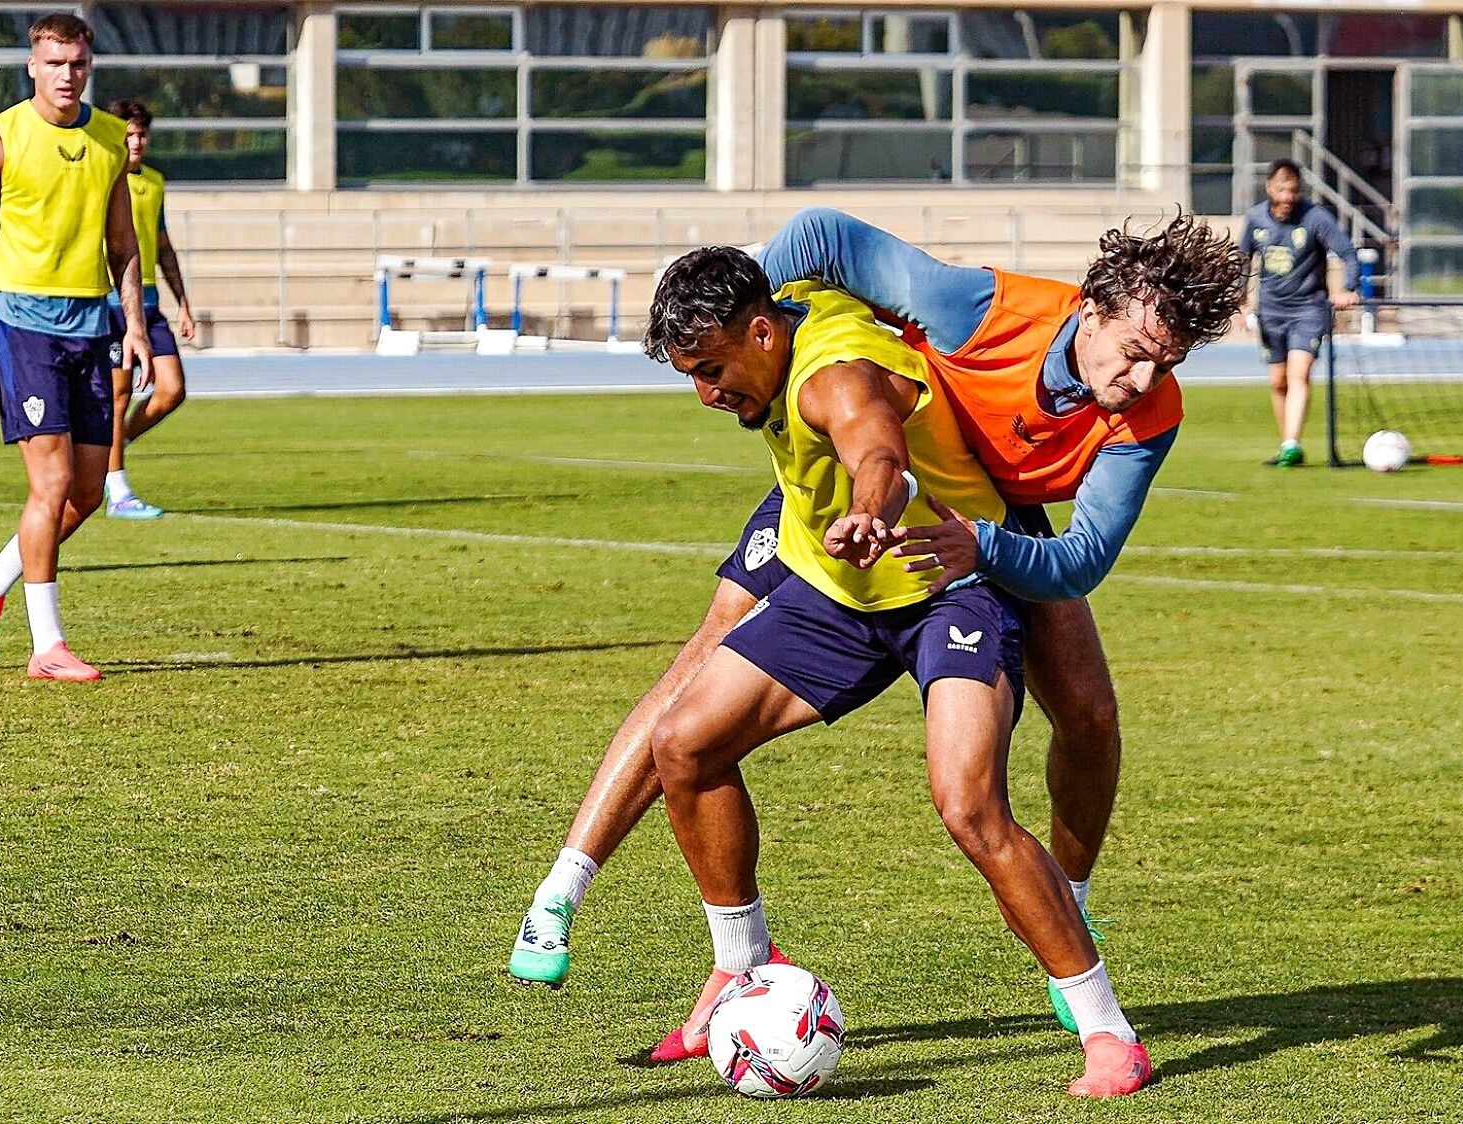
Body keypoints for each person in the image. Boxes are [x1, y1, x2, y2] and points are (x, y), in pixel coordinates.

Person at [509, 209, 1246, 1046]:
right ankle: (590, 901)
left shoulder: (1149, 415)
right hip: (859, 500)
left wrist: (977, 540)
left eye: (1169, 362)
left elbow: (1079, 558)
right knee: (699, 686)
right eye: (1138, 353)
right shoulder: (975, 308)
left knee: (1088, 716)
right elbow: (823, 238)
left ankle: (1064, 908)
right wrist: (760, 308)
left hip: (976, 527)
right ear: (1096, 308)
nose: (1146, 379)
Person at [645, 249, 1152, 1098]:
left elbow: (878, 452)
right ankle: (741, 966)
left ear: (763, 334)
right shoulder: (790, 306)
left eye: (711, 369)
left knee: (968, 803)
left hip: (948, 586)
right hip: (842, 594)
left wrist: (867, 513)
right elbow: (814, 234)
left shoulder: (832, 379)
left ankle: (1107, 1030)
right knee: (685, 744)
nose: (706, 393)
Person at [0, 12, 149, 681]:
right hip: (24, 326)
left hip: (92, 327)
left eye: (78, 64)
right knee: (52, 483)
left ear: (89, 66)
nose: (67, 75)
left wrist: (139, 329)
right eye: (55, 63)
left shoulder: (107, 138)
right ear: (32, 65)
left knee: (87, 494)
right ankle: (47, 647)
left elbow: (122, 244)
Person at [103, 98, 197, 520]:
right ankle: (118, 491)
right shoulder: (103, 179)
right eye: (129, 134)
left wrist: (184, 303)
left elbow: (161, 245)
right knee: (119, 395)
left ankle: (109, 449)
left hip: (150, 303)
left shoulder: (155, 182)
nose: (136, 141)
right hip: (112, 302)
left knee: (171, 389)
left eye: (141, 133)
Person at [1238, 159, 1361, 467]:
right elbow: (1241, 261)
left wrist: (1348, 287)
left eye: (1292, 191)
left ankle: (1292, 443)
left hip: (1309, 310)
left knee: (1298, 374)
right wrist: (1239, 303)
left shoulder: (1316, 217)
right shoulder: (1255, 219)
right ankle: (1287, 445)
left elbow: (1347, 253)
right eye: (1281, 190)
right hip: (1270, 312)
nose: (1286, 198)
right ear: (1269, 188)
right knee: (1278, 381)